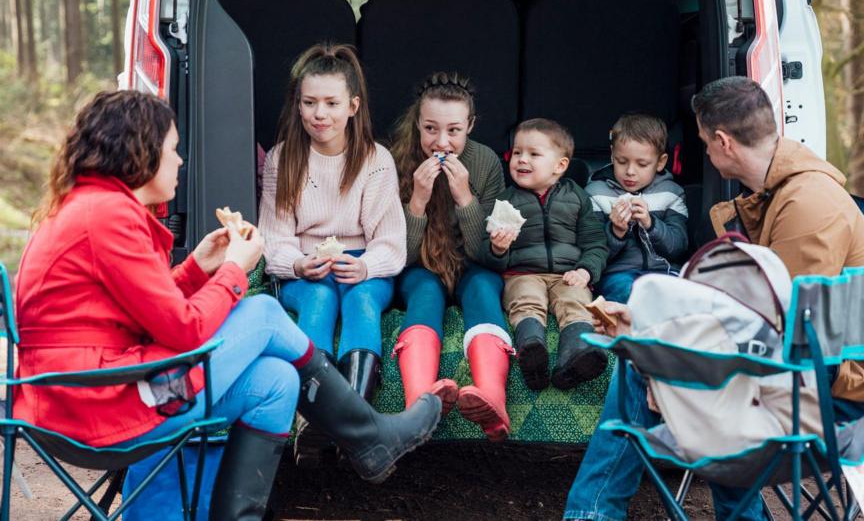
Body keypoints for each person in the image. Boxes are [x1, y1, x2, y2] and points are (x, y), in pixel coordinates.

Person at [13, 90, 441, 520]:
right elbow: (182, 330)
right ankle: (368, 437)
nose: (180, 161)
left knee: (275, 381)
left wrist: (198, 267)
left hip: (96, 391)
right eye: (172, 150)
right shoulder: (107, 217)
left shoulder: (94, 208)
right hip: (99, 405)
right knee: (263, 312)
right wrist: (235, 271)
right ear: (139, 153)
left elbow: (145, 309)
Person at [563, 76, 864, 520]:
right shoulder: (778, 195)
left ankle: (591, 513)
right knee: (646, 351)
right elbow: (747, 308)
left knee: (640, 365)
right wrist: (645, 321)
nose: (706, 152)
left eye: (705, 143)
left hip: (846, 376)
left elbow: (785, 333)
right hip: (815, 357)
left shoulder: (807, 204)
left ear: (723, 142)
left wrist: (668, 363)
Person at [259, 44, 406, 404]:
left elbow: (390, 240)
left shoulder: (376, 159)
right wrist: (296, 264)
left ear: (353, 106)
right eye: (309, 102)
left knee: (362, 302)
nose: (319, 113)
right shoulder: (283, 158)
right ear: (298, 104)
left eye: (331, 103)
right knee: (320, 300)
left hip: (362, 264)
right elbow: (273, 236)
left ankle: (354, 415)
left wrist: (366, 266)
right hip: (304, 266)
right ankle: (314, 414)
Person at [391, 71, 515, 441]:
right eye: (430, 129)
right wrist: (417, 200)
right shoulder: (396, 160)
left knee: (482, 288)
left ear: (470, 126)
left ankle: (492, 395)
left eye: (454, 131)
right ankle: (418, 403)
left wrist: (465, 198)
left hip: (471, 266)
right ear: (417, 124)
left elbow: (487, 254)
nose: (441, 141)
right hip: (420, 267)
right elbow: (400, 258)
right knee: (424, 293)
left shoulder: (486, 163)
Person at [478, 118, 608, 392]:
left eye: (533, 154)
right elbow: (484, 251)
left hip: (567, 273)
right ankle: (531, 350)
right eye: (516, 153)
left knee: (576, 301)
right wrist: (498, 248)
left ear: (560, 166)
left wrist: (585, 270)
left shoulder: (577, 197)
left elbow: (596, 242)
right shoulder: (506, 201)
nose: (521, 160)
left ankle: (575, 356)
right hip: (523, 272)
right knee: (526, 300)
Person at [585, 114, 688, 303]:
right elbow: (592, 252)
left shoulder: (671, 194)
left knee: (677, 297)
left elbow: (678, 247)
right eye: (622, 161)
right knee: (627, 293)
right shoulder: (595, 194)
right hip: (617, 273)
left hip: (663, 270)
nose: (630, 171)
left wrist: (651, 224)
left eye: (642, 164)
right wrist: (615, 231)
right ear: (612, 155)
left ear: (661, 162)